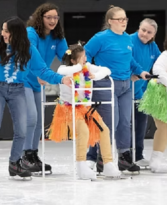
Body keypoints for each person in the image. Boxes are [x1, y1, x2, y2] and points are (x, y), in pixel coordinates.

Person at [0, 16, 71, 179]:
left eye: (6, 30)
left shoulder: (29, 50)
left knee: (22, 129)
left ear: (15, 33)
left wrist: (61, 79)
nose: (2, 33)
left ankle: (14, 164)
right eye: (2, 30)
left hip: (18, 89)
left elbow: (43, 71)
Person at [84, 6, 149, 174]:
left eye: (125, 19)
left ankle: (123, 156)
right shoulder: (101, 38)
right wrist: (90, 71)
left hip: (125, 85)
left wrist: (140, 71)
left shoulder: (128, 39)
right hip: (106, 84)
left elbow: (131, 60)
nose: (124, 22)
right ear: (110, 21)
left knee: (125, 121)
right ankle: (101, 157)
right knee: (109, 122)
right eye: (120, 19)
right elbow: (84, 55)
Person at [49, 43, 121, 180]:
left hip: (85, 108)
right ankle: (81, 165)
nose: (85, 59)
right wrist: (79, 67)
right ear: (73, 60)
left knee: (104, 130)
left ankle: (108, 164)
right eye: (82, 57)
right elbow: (61, 72)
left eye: (85, 56)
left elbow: (107, 70)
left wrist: (96, 75)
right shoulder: (65, 69)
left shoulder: (87, 68)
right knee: (84, 132)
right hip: (68, 108)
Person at [23, 3, 69, 174]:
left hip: (39, 82)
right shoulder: (31, 34)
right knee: (31, 117)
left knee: (39, 120)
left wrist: (79, 58)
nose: (52, 20)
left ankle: (33, 154)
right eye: (48, 17)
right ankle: (25, 155)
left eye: (55, 17)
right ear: (40, 18)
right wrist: (40, 74)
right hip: (25, 79)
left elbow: (66, 57)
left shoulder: (58, 37)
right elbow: (30, 55)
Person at [129, 18, 161, 167]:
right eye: (143, 30)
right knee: (125, 124)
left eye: (149, 32)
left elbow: (160, 63)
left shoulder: (152, 46)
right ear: (138, 28)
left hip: (141, 90)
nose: (145, 34)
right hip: (125, 88)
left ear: (153, 35)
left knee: (141, 123)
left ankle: (138, 154)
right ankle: (125, 155)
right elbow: (123, 60)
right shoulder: (128, 40)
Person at [139, 37, 167, 173]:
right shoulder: (165, 55)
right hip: (161, 93)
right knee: (163, 126)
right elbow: (158, 71)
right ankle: (156, 159)